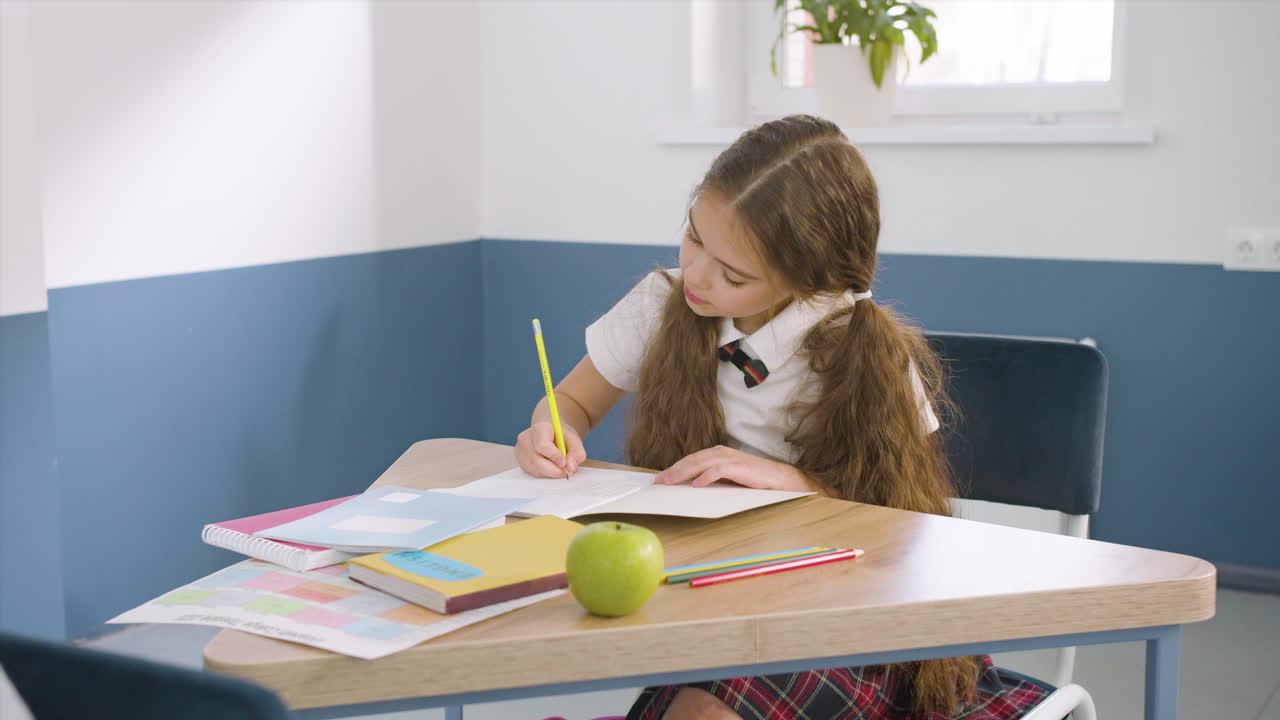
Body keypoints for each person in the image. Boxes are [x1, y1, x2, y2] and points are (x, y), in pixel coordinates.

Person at [513, 115, 1047, 719]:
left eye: (734, 274)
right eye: (693, 238)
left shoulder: (858, 348)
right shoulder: (661, 305)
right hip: (714, 603)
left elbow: (911, 522)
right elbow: (574, 401)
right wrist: (551, 429)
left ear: (808, 280)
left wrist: (798, 485)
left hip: (852, 619)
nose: (696, 274)